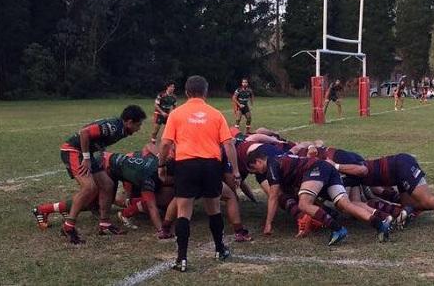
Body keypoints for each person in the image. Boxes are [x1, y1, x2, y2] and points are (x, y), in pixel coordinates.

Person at [158, 75, 241, 272]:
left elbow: (165, 143)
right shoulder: (216, 114)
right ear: (206, 92)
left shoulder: (176, 114)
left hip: (186, 165)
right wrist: (236, 171)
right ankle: (220, 250)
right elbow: (228, 144)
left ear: (186, 92)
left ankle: (182, 259)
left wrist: (161, 165)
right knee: (214, 208)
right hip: (211, 165)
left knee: (184, 211)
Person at [33, 105, 146, 244]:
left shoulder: (121, 129)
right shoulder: (113, 127)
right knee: (89, 188)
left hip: (87, 153)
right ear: (129, 122)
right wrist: (86, 158)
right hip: (73, 150)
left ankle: (104, 224)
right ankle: (68, 227)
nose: (139, 128)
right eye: (138, 125)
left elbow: (97, 139)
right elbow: (84, 133)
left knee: (107, 185)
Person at [246, 152, 392, 245]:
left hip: (316, 169)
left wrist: (268, 223)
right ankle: (380, 225)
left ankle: (338, 229)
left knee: (304, 204)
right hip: (326, 168)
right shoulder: (280, 158)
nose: (257, 173)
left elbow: (273, 196)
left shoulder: (272, 165)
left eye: (255, 169)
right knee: (345, 204)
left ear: (259, 161)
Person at [332, 153, 434, 230]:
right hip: (397, 174)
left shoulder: (350, 170)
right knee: (412, 206)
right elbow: (375, 191)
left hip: (401, 165)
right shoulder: (349, 178)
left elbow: (363, 171)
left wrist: (335, 166)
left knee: (425, 199)